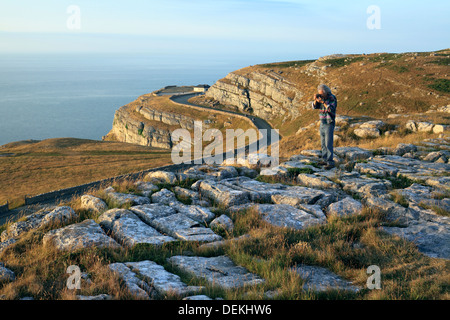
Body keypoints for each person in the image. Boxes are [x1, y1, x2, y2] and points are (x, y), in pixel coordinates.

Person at [312, 84, 337, 170]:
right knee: (323, 143)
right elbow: (314, 107)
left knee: (328, 143)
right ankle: (324, 159)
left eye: (322, 94)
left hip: (329, 122)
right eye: (319, 94)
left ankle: (330, 162)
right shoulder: (322, 98)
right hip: (322, 122)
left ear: (326, 93)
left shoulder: (332, 98)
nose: (321, 96)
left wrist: (323, 102)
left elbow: (331, 109)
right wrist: (315, 100)